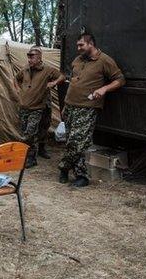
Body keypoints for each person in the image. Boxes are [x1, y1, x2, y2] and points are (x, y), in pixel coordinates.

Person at [59, 33, 125, 187]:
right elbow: (73, 82)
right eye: (77, 45)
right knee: (70, 141)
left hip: (87, 107)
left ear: (91, 44)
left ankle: (63, 167)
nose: (78, 48)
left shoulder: (104, 60)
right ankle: (81, 176)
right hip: (69, 106)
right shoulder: (78, 60)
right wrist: (65, 106)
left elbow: (120, 79)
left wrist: (104, 89)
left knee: (78, 142)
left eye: (81, 45)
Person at [15, 46, 65, 168]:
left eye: (32, 56)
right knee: (25, 132)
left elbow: (62, 76)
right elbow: (16, 79)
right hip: (23, 107)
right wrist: (18, 91)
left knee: (30, 132)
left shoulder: (47, 70)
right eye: (28, 56)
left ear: (39, 58)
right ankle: (30, 154)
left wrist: (53, 83)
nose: (29, 59)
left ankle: (31, 158)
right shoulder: (25, 69)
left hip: (37, 107)